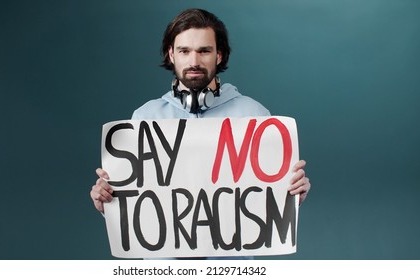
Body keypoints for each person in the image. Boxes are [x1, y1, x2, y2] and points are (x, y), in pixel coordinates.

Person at [90, 8, 311, 259]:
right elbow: (139, 207)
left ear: (219, 55)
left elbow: (268, 200)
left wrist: (291, 193)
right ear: (171, 54)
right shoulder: (144, 118)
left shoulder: (255, 116)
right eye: (184, 51)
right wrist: (108, 199)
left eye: (204, 51)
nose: (194, 61)